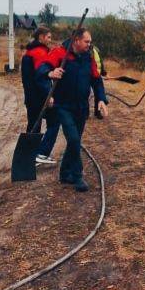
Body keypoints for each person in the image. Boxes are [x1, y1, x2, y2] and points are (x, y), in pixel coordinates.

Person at [35, 28, 108, 191]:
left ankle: (64, 173)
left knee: (74, 142)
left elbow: (96, 81)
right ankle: (77, 176)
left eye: (90, 42)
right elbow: (40, 70)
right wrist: (51, 73)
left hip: (81, 107)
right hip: (63, 106)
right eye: (86, 42)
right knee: (74, 140)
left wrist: (101, 99)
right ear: (76, 40)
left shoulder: (89, 58)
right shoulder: (60, 53)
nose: (90, 45)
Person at [20, 26, 60, 165]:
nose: (50, 40)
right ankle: (41, 154)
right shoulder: (39, 53)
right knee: (55, 121)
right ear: (41, 37)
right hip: (40, 98)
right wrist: (48, 96)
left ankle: (27, 158)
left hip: (30, 98)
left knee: (33, 126)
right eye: (48, 37)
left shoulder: (29, 52)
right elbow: (41, 77)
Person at [91, 43, 108, 119]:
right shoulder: (86, 50)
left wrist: (103, 71)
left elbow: (100, 61)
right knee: (85, 93)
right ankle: (85, 113)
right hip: (88, 75)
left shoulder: (96, 49)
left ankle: (97, 112)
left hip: (97, 75)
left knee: (98, 94)